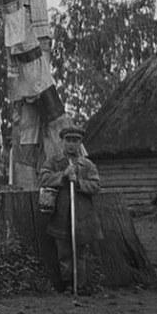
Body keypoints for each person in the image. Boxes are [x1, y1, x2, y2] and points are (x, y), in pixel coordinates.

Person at [39, 122, 103, 294]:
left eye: (75, 140)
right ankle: (68, 285)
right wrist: (63, 176)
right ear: (63, 142)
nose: (72, 144)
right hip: (60, 215)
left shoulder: (87, 165)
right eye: (68, 140)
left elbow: (96, 185)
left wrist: (79, 182)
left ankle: (80, 285)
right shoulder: (54, 162)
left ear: (80, 143)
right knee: (64, 253)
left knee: (80, 253)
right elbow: (44, 178)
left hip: (82, 217)